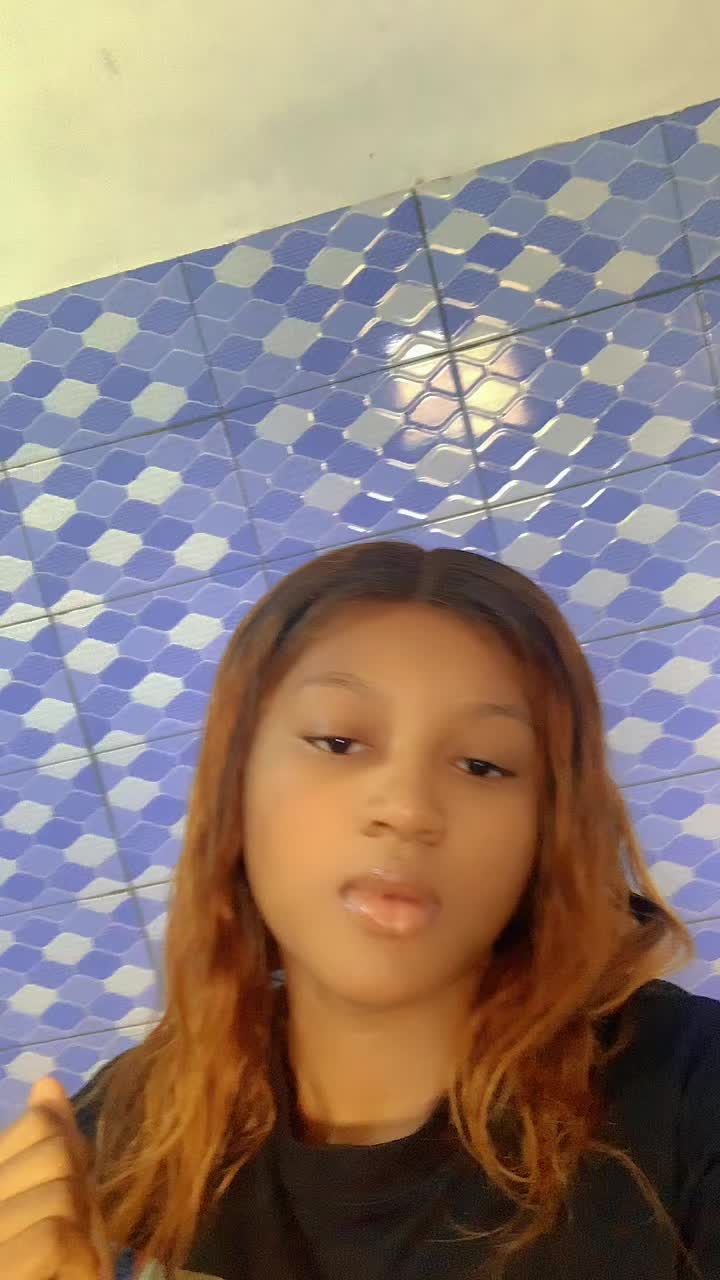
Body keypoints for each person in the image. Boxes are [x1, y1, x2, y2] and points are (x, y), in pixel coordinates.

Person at [0, 540, 717, 1280]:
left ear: (550, 828)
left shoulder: (690, 1101)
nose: (407, 809)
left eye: (483, 765)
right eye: (338, 742)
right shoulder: (114, 1144)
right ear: (235, 787)